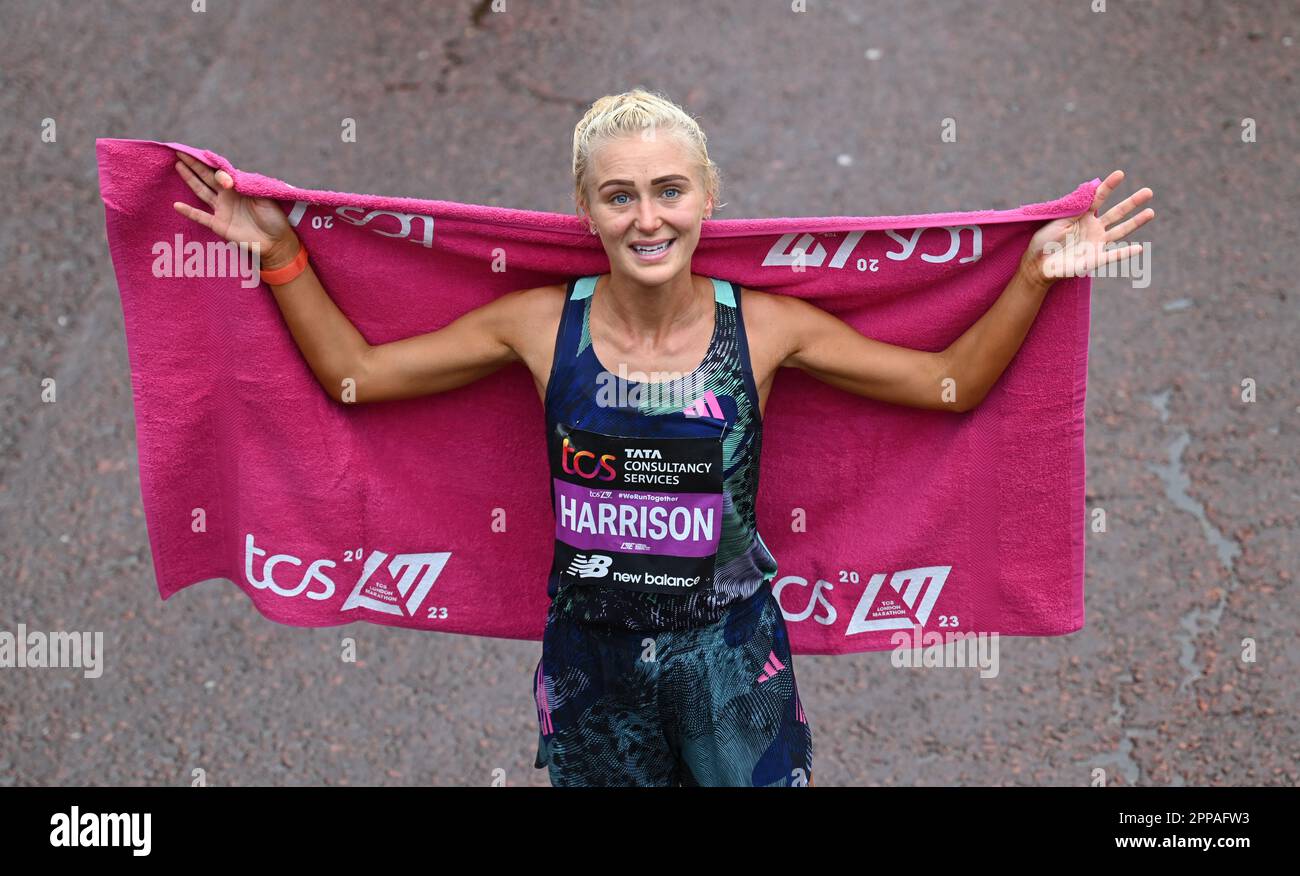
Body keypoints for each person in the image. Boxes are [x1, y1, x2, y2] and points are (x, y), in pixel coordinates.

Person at [171, 88, 1154, 787]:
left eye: (670, 190)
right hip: (592, 665)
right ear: (586, 211)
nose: (649, 217)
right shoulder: (535, 323)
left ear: (708, 200)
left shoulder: (761, 327)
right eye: (620, 195)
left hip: (731, 658)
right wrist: (283, 256)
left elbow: (947, 385)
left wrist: (1035, 275)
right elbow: (358, 379)